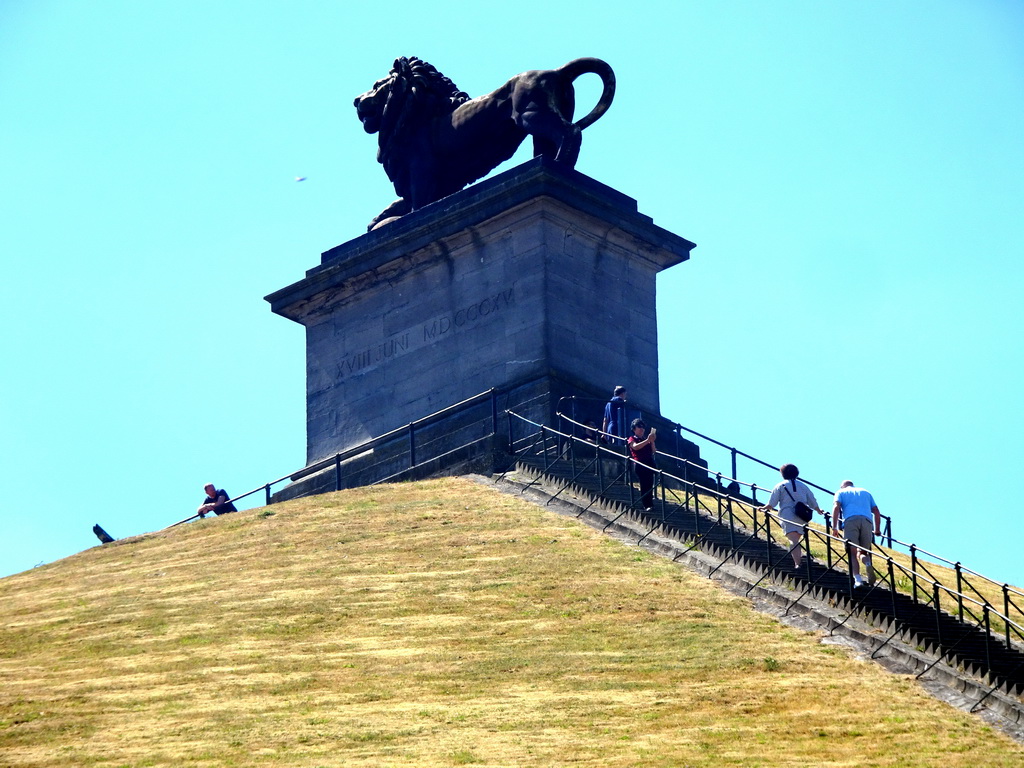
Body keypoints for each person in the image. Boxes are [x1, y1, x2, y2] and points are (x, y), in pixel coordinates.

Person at [758, 464, 824, 569]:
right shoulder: (803, 486)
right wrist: (818, 509)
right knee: (797, 538)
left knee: (793, 540)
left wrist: (763, 508)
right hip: (802, 516)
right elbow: (812, 500)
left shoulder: (780, 486)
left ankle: (798, 564)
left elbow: (772, 504)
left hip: (787, 515)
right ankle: (799, 561)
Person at [832, 480, 882, 588]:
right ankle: (868, 564)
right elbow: (876, 511)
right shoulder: (865, 492)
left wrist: (834, 527)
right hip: (867, 521)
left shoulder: (840, 492)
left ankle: (858, 580)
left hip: (850, 520)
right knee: (863, 552)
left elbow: (836, 507)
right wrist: (877, 529)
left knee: (852, 552)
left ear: (842, 486)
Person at [627, 418, 657, 512]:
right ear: (634, 428)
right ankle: (646, 504)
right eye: (639, 427)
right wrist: (647, 440)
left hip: (649, 463)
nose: (642, 429)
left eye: (643, 427)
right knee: (644, 485)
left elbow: (653, 451)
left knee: (649, 485)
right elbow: (635, 447)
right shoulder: (632, 438)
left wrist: (651, 441)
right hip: (640, 463)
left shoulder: (645, 440)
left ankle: (650, 504)